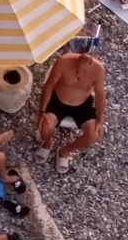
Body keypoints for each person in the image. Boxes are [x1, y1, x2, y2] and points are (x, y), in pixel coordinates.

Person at [36, 42, 107, 173]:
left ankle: (64, 151)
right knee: (45, 128)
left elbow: (100, 96)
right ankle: (48, 142)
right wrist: (42, 111)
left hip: (82, 103)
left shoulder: (98, 70)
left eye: (87, 62)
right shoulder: (63, 61)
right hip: (58, 100)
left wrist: (100, 119)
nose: (80, 72)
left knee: (93, 135)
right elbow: (49, 86)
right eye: (80, 61)